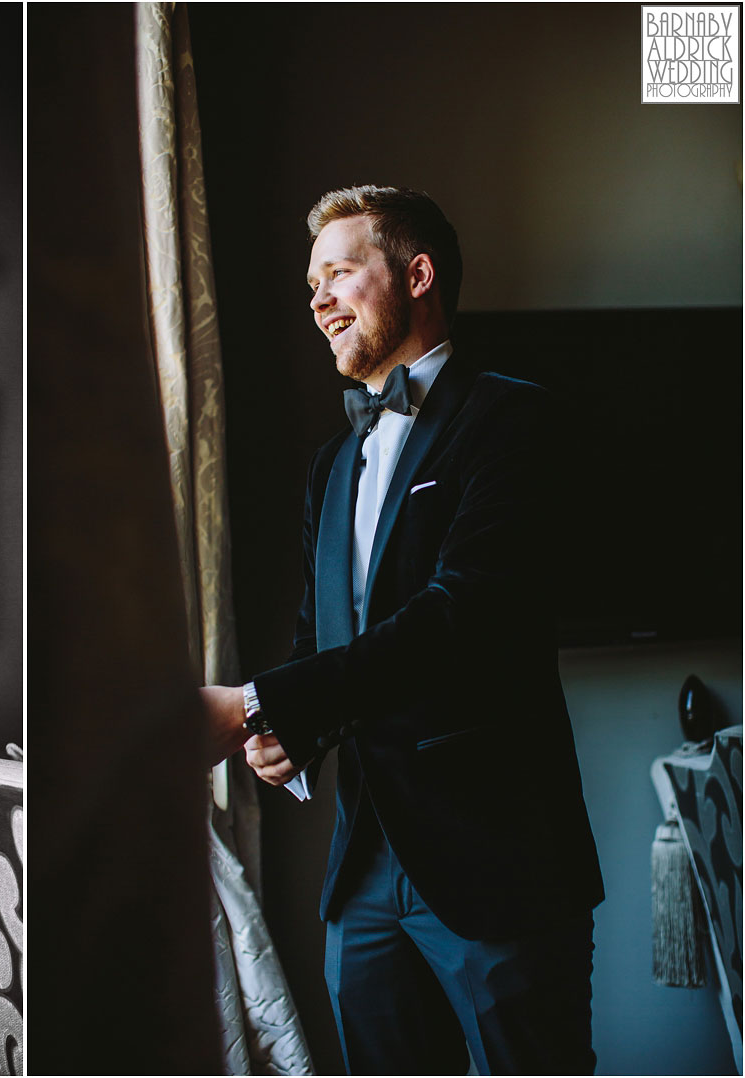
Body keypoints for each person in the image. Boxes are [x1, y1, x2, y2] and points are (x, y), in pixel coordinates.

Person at [202, 186, 604, 1075]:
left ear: (417, 275)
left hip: (499, 862)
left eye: (340, 272)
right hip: (365, 873)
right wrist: (287, 732)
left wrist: (254, 701)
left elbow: (462, 615)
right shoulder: (330, 467)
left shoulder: (512, 418)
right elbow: (321, 641)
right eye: (311, 284)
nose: (317, 301)